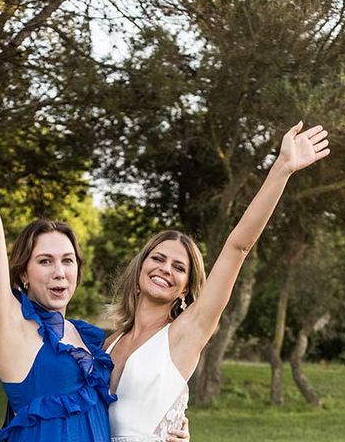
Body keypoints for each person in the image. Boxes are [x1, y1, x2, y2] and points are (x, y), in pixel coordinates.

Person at [0, 87, 189, 442]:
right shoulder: (10, 327)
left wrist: (170, 433)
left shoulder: (91, 340)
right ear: (23, 274)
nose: (59, 271)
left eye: (67, 261)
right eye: (45, 261)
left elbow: (129, 408)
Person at [105, 121, 330, 441]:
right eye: (157, 258)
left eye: (179, 267)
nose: (165, 269)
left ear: (186, 287)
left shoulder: (186, 332)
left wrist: (282, 169)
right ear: (140, 270)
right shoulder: (110, 342)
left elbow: (238, 247)